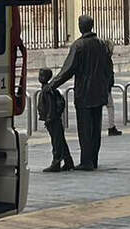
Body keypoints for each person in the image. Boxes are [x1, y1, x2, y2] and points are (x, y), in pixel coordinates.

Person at [48, 14, 115, 171]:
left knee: (85, 128)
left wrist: (52, 84)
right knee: (95, 128)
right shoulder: (101, 45)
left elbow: (68, 69)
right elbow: (108, 69)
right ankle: (93, 159)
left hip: (84, 94)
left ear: (81, 26)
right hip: (99, 94)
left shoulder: (79, 46)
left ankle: (86, 161)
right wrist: (106, 88)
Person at [36, 67, 74, 173]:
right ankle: (68, 161)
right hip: (53, 119)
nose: (39, 77)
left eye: (41, 75)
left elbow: (51, 105)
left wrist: (49, 118)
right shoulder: (47, 88)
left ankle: (56, 162)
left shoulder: (47, 90)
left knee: (56, 141)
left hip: (52, 120)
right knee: (60, 140)